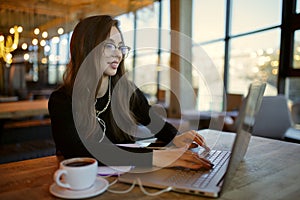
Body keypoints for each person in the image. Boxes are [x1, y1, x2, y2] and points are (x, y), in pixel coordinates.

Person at [48, 15, 213, 170]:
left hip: (128, 178)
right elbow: (80, 152)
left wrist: (175, 136)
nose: (118, 54)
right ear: (86, 48)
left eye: (121, 47)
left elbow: (153, 120)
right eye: (110, 46)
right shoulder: (62, 101)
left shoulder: (126, 91)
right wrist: (155, 157)